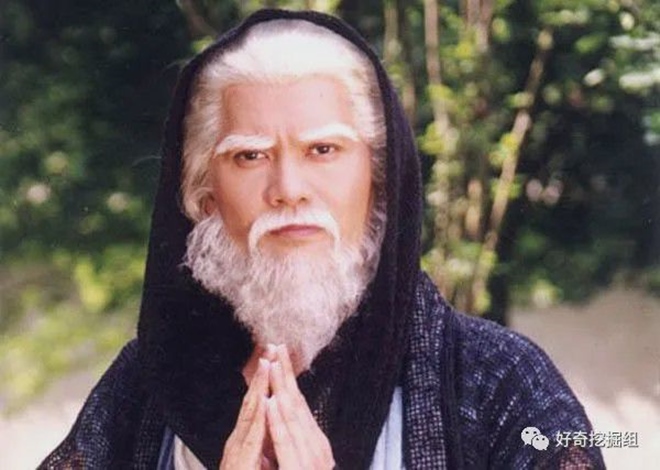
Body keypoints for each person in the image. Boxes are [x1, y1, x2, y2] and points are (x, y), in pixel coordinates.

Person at [40, 9, 605, 470]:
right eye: (250, 156)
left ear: (378, 178)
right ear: (205, 194)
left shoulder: (498, 379)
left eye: (323, 150)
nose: (288, 190)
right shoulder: (146, 386)